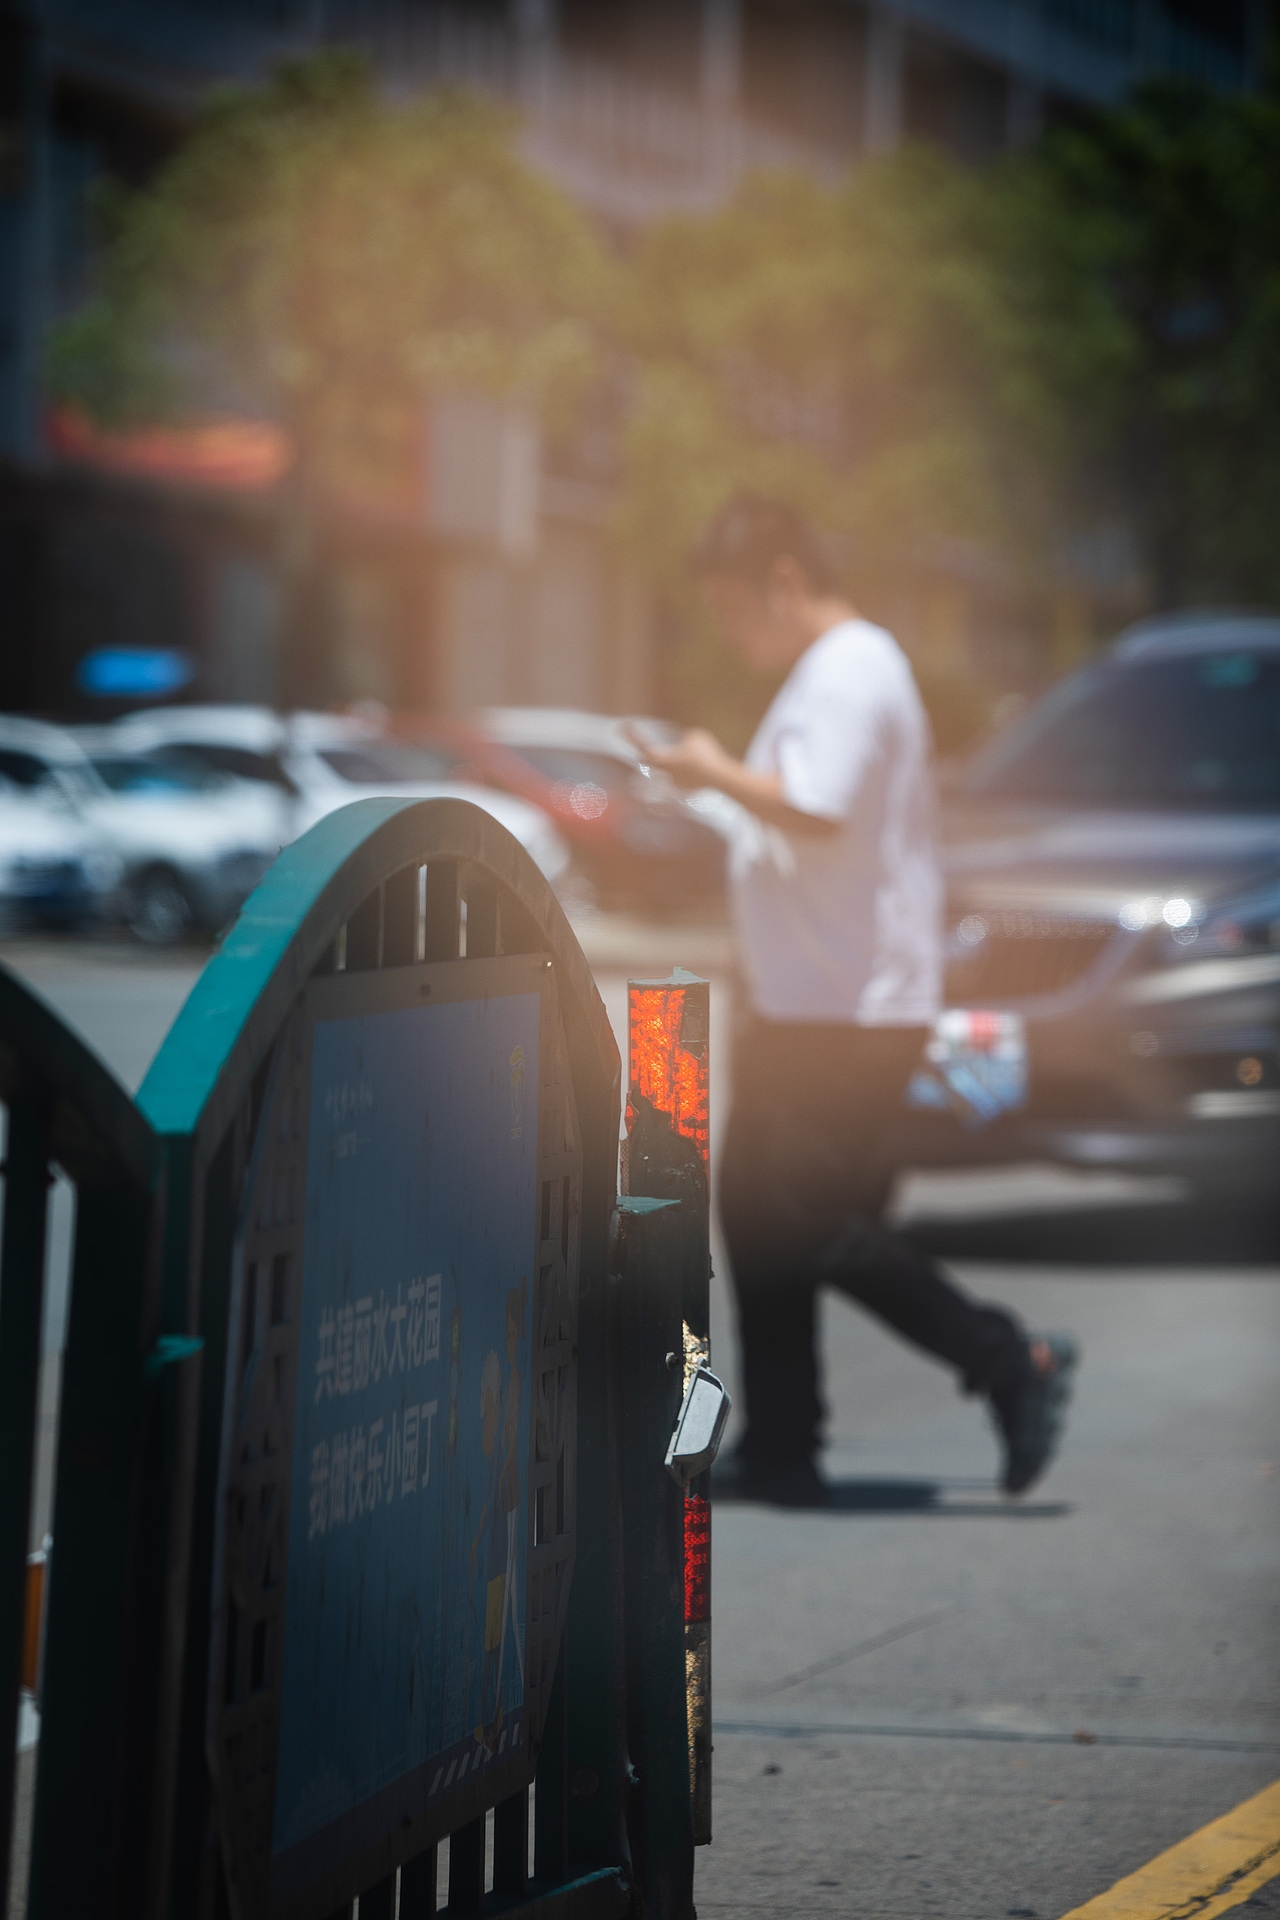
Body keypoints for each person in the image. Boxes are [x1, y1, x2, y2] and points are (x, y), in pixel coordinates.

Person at [637, 495, 1076, 1506]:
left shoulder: (846, 673)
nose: (730, 634)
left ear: (782, 583)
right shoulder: (836, 672)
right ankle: (786, 1447)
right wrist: (710, 792)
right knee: (759, 1215)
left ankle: (1005, 1357)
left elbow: (818, 809)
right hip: (811, 1002)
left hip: (844, 1012)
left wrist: (710, 770)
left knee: (800, 1219)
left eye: (733, 610)